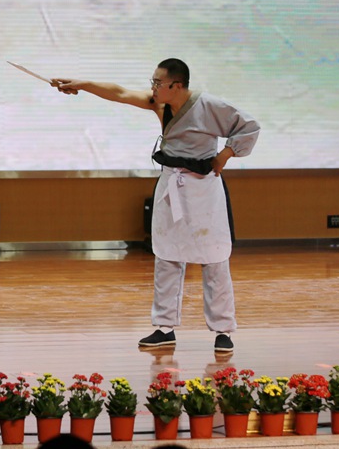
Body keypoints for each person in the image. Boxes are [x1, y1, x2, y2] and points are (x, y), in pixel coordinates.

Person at [52, 59, 260, 352]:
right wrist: (82, 85)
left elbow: (249, 127)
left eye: (157, 83)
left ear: (176, 85)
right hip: (171, 184)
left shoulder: (210, 106)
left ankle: (223, 330)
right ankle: (164, 327)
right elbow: (120, 93)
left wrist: (224, 155)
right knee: (167, 255)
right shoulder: (160, 104)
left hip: (204, 188)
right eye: (153, 82)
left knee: (214, 257)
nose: (152, 88)